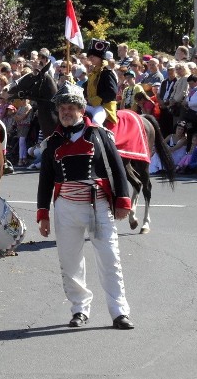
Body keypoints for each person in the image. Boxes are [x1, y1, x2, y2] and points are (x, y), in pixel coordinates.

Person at [36, 83, 135, 330]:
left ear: (82, 110)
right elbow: (46, 179)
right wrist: (43, 214)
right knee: (70, 263)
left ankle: (119, 311)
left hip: (98, 205)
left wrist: (123, 200)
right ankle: (79, 309)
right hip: (66, 207)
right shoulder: (52, 142)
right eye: (62, 109)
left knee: (110, 260)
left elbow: (117, 168)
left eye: (71, 108)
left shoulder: (100, 135)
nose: (66, 112)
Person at [84, 39, 119, 127]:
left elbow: (111, 93)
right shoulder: (93, 72)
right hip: (91, 104)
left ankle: (106, 140)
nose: (90, 58)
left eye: (93, 56)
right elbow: (86, 87)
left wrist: (94, 100)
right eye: (90, 56)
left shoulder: (107, 72)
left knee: (96, 122)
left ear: (100, 57)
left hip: (105, 106)